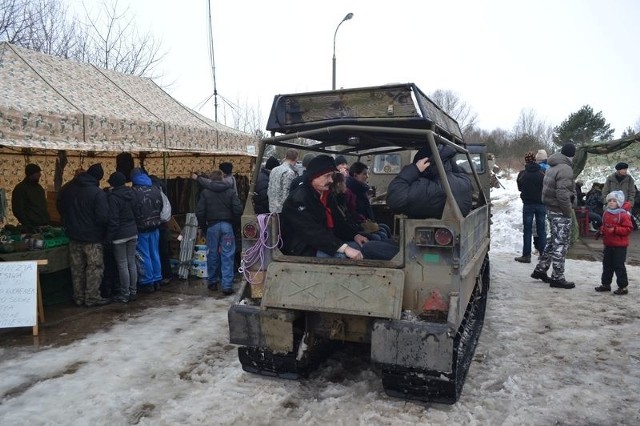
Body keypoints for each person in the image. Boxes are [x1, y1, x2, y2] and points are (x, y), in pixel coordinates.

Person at [280, 155, 398, 260]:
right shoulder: (297, 201)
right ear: (314, 176)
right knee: (351, 255)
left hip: (327, 242)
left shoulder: (326, 195)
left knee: (369, 245)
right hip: (303, 250)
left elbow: (339, 223)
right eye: (327, 176)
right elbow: (313, 233)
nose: (331, 180)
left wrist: (355, 235)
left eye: (332, 176)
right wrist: (344, 248)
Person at [57, 163, 110, 307]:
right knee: (94, 267)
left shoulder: (69, 189)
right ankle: (92, 297)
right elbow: (103, 217)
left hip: (73, 236)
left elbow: (60, 207)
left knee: (77, 268)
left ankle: (79, 297)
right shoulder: (97, 193)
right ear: (98, 177)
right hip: (92, 238)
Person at [531, 143, 577, 289]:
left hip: (551, 209)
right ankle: (557, 277)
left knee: (553, 242)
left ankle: (541, 269)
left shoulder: (553, 166)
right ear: (572, 155)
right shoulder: (566, 169)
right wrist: (567, 210)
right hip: (560, 210)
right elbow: (562, 193)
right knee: (561, 244)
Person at [387, 144, 473, 219]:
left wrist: (415, 168)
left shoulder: (431, 188)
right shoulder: (464, 180)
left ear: (425, 164)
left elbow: (394, 199)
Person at [196, 170, 243, 295]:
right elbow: (238, 209)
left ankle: (212, 282)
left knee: (212, 254)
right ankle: (227, 286)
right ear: (222, 178)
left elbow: (200, 212)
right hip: (227, 227)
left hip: (212, 227)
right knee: (227, 255)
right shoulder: (231, 192)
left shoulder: (205, 193)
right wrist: (235, 224)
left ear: (211, 179)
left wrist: (203, 226)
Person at [105, 172, 138, 303]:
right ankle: (133, 291)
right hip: (133, 231)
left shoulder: (113, 198)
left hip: (120, 235)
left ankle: (125, 294)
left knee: (122, 264)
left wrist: (109, 237)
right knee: (132, 263)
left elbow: (113, 220)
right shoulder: (132, 194)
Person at [130, 168, 164, 293]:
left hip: (142, 228)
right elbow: (161, 205)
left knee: (144, 255)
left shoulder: (133, 192)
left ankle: (148, 282)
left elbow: (132, 210)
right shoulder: (155, 188)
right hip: (155, 226)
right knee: (155, 253)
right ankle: (157, 279)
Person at [593, 191, 633, 295]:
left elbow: (628, 229)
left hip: (620, 246)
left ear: (619, 202)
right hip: (608, 244)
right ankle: (606, 284)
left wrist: (615, 230)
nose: (611, 203)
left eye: (614, 201)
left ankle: (623, 286)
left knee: (619, 266)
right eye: (609, 200)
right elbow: (605, 226)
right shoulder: (606, 213)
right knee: (607, 265)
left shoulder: (623, 215)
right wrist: (601, 231)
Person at [345, 161, 391, 238]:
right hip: (358, 224)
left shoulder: (361, 189)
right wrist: (362, 220)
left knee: (385, 227)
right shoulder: (350, 191)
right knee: (380, 235)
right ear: (355, 175)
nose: (367, 176)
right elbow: (350, 212)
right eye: (364, 174)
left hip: (366, 221)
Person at [515, 152, 546, 263]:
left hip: (527, 205)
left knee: (527, 231)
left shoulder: (522, 174)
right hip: (541, 205)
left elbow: (519, 188)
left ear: (526, 161)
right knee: (541, 230)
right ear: (535, 160)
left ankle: (526, 255)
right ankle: (543, 255)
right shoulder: (542, 173)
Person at [12, 163, 50, 228]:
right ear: (31, 174)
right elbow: (18, 209)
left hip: (43, 224)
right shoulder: (21, 189)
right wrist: (28, 225)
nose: (40, 174)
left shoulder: (39, 188)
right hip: (31, 226)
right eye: (37, 172)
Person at [268, 148, 298, 213]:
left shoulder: (274, 170)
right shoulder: (289, 172)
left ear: (285, 156)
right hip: (282, 210)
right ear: (296, 159)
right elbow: (286, 193)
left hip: (272, 208)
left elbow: (269, 189)